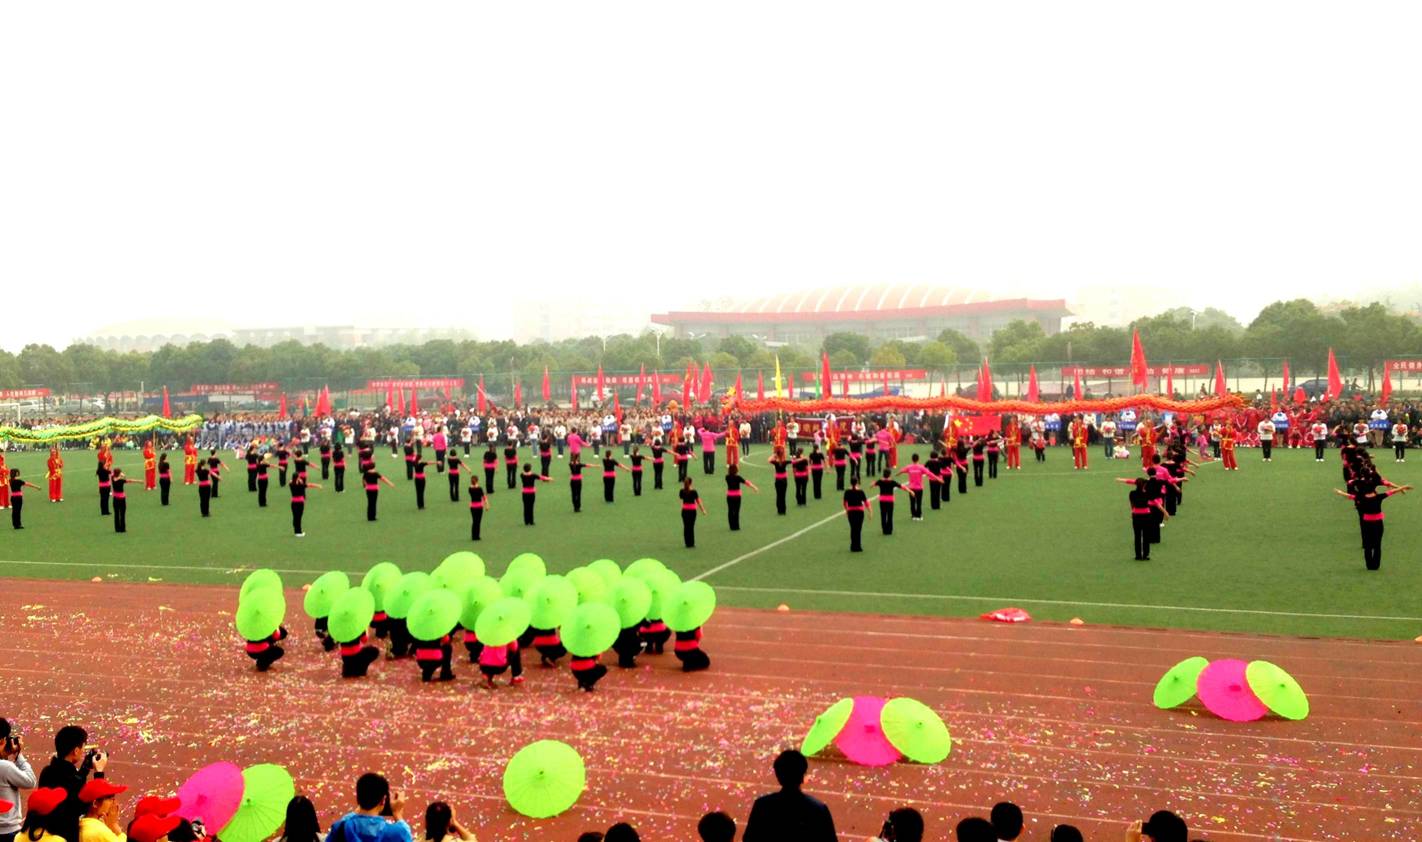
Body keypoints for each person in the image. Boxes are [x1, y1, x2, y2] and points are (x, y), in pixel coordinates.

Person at [742, 750, 836, 842]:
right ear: (802, 775)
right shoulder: (819, 809)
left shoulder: (762, 806)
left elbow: (749, 839)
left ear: (778, 775)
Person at [36, 729, 107, 842]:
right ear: (76, 750)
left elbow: (71, 783)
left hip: (44, 835)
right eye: (83, 748)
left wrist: (85, 768)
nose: (83, 751)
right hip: (66, 836)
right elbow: (87, 806)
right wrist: (99, 772)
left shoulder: (47, 771)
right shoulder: (70, 777)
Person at [1334, 481, 1411, 570]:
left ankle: (1369, 565)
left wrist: (1340, 492)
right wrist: (1403, 487)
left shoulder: (1361, 498)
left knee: (1368, 545)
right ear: (1373, 491)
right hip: (1378, 523)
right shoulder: (1378, 497)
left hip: (1366, 523)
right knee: (1377, 544)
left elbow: (1350, 496)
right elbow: (1392, 492)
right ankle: (1376, 565)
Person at [326, 774, 412, 842]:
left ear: (358, 797)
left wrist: (358, 810)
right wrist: (397, 813)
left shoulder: (340, 828)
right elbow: (406, 836)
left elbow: (342, 825)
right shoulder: (397, 833)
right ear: (383, 800)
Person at [1, 720, 36, 842]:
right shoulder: (5, 766)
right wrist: (18, 755)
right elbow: (30, 781)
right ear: (2, 741)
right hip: (7, 831)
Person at [895, 454, 939, 522]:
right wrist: (937, 478)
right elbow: (929, 473)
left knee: (912, 502)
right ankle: (919, 516)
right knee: (919, 502)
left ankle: (913, 515)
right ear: (918, 459)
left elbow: (902, 471)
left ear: (912, 459)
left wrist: (897, 474)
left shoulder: (909, 467)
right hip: (919, 488)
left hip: (911, 488)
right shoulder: (921, 467)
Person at [723, 466, 758, 531]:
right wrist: (754, 487)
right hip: (737, 496)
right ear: (736, 470)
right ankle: (736, 526)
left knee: (730, 510)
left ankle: (731, 526)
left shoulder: (727, 477)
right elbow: (746, 482)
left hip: (729, 496)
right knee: (736, 511)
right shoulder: (738, 477)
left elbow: (730, 474)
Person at [873, 470, 904, 535]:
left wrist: (874, 483)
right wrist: (910, 491)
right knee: (890, 515)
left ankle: (884, 530)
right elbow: (901, 486)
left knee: (883, 515)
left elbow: (872, 485)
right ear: (889, 475)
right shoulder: (892, 482)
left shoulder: (880, 481)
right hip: (890, 500)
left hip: (882, 500)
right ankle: (889, 530)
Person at [841, 477, 869, 552]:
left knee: (853, 528)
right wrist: (870, 511)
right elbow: (866, 503)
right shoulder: (861, 491)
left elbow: (844, 503)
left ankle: (853, 546)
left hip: (851, 512)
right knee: (858, 529)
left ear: (851, 482)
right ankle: (858, 546)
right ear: (857, 482)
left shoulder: (847, 492)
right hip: (859, 512)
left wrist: (847, 510)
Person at [679, 477, 708, 548]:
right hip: (692, 511)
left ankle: (687, 543)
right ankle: (691, 543)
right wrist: (703, 510)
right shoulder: (694, 491)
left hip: (684, 511)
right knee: (691, 527)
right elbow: (698, 502)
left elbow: (681, 499)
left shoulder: (681, 491)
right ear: (691, 483)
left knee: (686, 526)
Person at [768, 449, 789, 515]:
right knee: (783, 495)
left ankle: (779, 510)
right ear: (783, 455)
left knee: (778, 495)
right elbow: (794, 461)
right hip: (784, 480)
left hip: (778, 480)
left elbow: (769, 460)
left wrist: (774, 455)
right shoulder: (785, 462)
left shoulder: (775, 462)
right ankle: (783, 510)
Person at [466, 477, 487, 541]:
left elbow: (472, 487)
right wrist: (487, 504)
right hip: (479, 506)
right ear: (477, 481)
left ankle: (473, 536)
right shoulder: (479, 489)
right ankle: (477, 536)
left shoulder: (470, 489)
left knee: (474, 521)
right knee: (478, 521)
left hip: (472, 506)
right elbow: (483, 497)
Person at [108, 470, 129, 534]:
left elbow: (112, 474)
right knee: (122, 514)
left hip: (115, 499)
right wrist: (123, 475)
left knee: (116, 514)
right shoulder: (121, 481)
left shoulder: (113, 479)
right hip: (122, 499)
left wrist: (119, 475)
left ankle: (117, 529)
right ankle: (122, 529)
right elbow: (128, 480)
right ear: (119, 474)